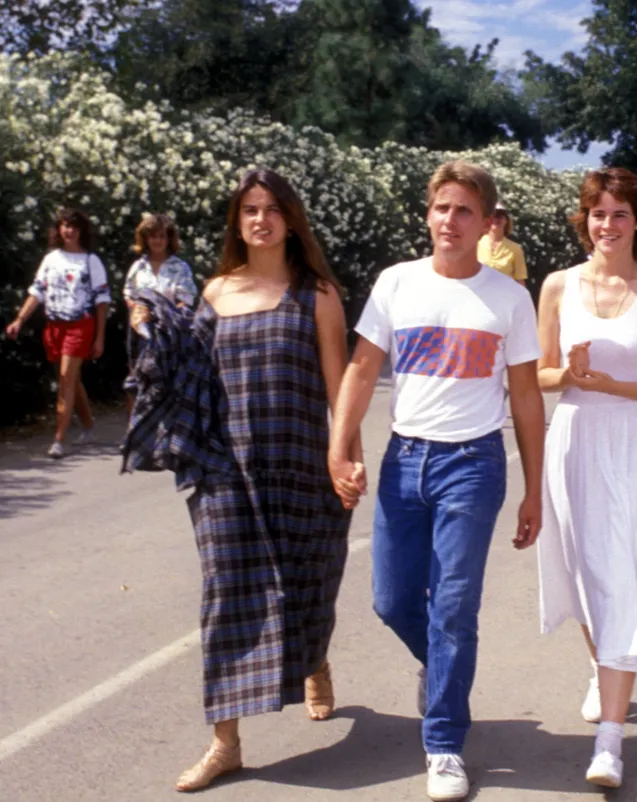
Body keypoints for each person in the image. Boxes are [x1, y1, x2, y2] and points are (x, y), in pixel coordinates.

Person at [126, 168, 352, 792]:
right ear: (237, 221)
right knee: (226, 594)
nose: (260, 219)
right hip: (224, 468)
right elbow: (187, 376)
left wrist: (347, 459)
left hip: (300, 462)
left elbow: (341, 392)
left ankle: (315, 657)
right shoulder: (215, 291)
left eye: (272, 208)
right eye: (249, 209)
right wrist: (154, 330)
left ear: (291, 219)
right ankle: (225, 743)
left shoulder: (320, 295)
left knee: (310, 579)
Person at [328, 161, 546, 802]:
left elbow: (527, 398)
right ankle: (441, 666)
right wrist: (340, 450)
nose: (450, 221)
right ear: (428, 213)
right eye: (442, 208)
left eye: (465, 211)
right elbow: (362, 372)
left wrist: (533, 488)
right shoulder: (397, 284)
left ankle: (444, 742)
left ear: (487, 223)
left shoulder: (508, 299)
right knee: (392, 600)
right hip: (405, 460)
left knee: (454, 606)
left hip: (473, 466)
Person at [535, 167, 637, 788]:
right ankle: (606, 672)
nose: (608, 224)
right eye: (598, 213)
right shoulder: (555, 286)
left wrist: (616, 385)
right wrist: (570, 377)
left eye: (620, 214)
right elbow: (538, 375)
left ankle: (610, 741)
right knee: (585, 569)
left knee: (622, 571)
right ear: (585, 220)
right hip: (573, 441)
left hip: (636, 443)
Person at [5, 207, 110, 458]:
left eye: (73, 226)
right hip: (54, 326)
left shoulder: (90, 261)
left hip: (80, 325)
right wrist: (19, 319)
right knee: (71, 379)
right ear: (59, 229)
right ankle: (88, 426)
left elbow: (102, 301)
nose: (69, 230)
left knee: (64, 379)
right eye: (64, 225)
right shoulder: (52, 259)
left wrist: (99, 337)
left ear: (82, 230)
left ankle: (59, 440)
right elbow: (37, 291)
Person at [123, 213, 198, 411]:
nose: (157, 240)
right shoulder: (138, 267)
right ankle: (136, 430)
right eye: (153, 236)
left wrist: (161, 315)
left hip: (169, 334)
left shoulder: (180, 268)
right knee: (137, 381)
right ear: (146, 238)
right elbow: (129, 295)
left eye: (162, 236)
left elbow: (186, 301)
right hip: (141, 333)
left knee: (167, 383)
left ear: (169, 239)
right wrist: (138, 311)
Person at [477, 201, 528, 286]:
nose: (497, 219)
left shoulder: (515, 249)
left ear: (506, 220)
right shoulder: (475, 246)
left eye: (501, 215)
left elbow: (520, 281)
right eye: (493, 215)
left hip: (506, 297)